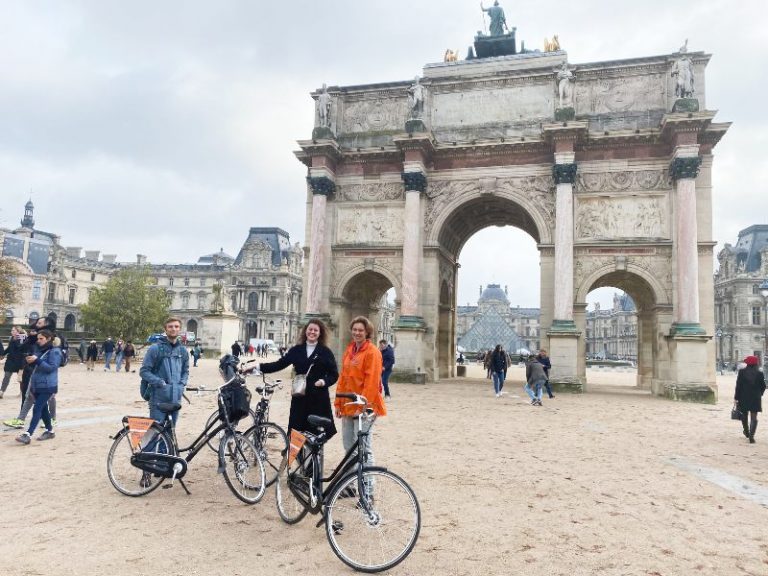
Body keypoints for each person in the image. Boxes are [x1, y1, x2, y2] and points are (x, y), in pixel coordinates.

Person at [257, 319, 339, 437]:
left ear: (320, 333)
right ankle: (296, 450)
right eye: (310, 329)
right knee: (296, 433)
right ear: (305, 331)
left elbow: (334, 374)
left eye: (316, 330)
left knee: (316, 434)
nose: (312, 332)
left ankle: (315, 449)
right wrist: (258, 367)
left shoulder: (325, 352)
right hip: (300, 396)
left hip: (318, 397)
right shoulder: (296, 350)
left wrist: (323, 381)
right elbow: (279, 364)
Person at [334, 316, 386, 482]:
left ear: (367, 332)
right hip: (349, 404)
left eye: (360, 330)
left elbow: (371, 382)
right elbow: (343, 378)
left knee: (364, 448)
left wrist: (363, 406)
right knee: (349, 447)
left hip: (365, 407)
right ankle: (350, 484)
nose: (357, 333)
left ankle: (368, 488)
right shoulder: (350, 349)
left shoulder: (373, 352)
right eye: (355, 329)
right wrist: (338, 403)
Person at [140, 317, 189, 426]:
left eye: (176, 326)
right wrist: (159, 382)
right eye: (170, 326)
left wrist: (182, 383)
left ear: (180, 329)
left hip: (176, 397)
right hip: (158, 397)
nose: (173, 329)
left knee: (171, 430)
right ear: (165, 329)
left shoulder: (183, 351)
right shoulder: (155, 349)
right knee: (156, 430)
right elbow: (144, 371)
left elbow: (185, 371)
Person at [15, 329, 60, 444]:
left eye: (41, 338)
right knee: (43, 409)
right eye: (38, 338)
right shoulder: (40, 350)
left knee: (37, 408)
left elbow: (51, 368)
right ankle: (50, 431)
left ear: (48, 339)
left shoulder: (55, 351)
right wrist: (30, 361)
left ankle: (28, 434)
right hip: (37, 384)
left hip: (48, 386)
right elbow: (37, 365)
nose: (38, 340)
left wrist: (37, 360)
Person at [734, 355, 766, 444]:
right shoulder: (759, 373)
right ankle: (752, 436)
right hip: (755, 397)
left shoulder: (742, 372)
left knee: (744, 415)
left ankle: (746, 431)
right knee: (754, 416)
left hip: (743, 397)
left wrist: (736, 397)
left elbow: (738, 386)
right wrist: (760, 394)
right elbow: (763, 386)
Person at [1, 326, 26, 399]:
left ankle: (22, 392)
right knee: (6, 376)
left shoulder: (23, 339)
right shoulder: (11, 338)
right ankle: (1, 392)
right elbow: (9, 348)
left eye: (13, 330)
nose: (11, 332)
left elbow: (21, 348)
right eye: (11, 330)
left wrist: (18, 339)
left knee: (21, 379)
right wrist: (2, 354)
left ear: (18, 331)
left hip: (20, 361)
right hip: (10, 361)